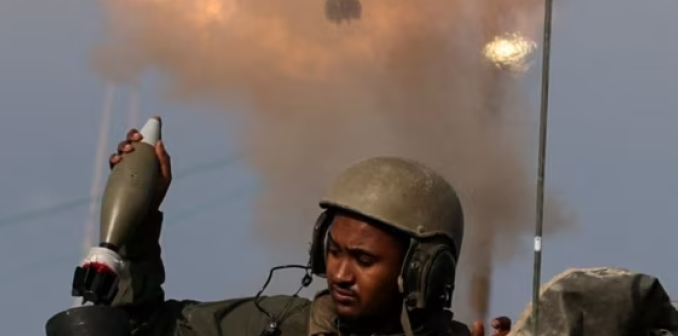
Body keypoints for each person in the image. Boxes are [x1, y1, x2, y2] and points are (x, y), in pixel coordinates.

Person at [107, 129, 511, 336]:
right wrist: (139, 218)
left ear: (423, 271)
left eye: (364, 259)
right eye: (334, 251)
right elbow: (148, 327)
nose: (340, 274)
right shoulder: (278, 325)